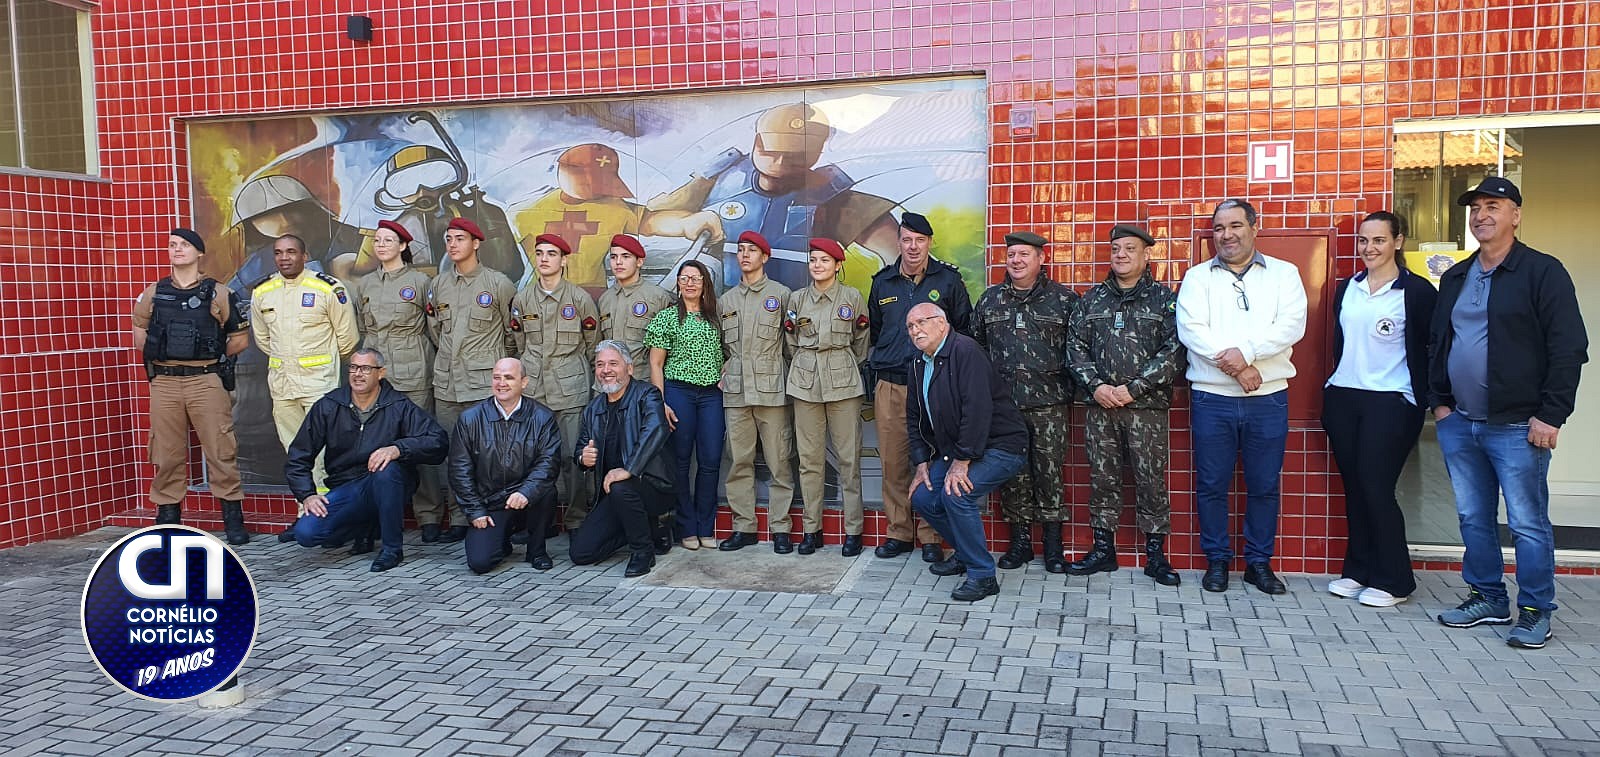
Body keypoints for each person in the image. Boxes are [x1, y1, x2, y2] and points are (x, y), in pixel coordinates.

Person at [1429, 177, 1588, 649]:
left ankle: (1536, 609)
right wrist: (1440, 405)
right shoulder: (1456, 276)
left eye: (1492, 206)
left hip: (1520, 423)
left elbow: (1569, 348)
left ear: (1515, 215)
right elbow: (1439, 343)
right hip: (1460, 421)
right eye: (1475, 208)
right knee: (1473, 516)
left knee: (1525, 522)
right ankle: (1488, 597)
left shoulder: (1542, 272)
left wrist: (1551, 415)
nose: (1481, 215)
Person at [1176, 199, 1307, 595]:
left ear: (1254, 227)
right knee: (1212, 483)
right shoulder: (1198, 278)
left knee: (1264, 484)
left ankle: (1258, 564)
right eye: (1218, 228)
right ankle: (1217, 561)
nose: (1227, 235)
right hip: (1211, 398)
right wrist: (1238, 367)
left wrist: (1247, 353)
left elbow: (1290, 325)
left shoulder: (1285, 274)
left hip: (1267, 399)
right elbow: (1192, 331)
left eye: (1235, 226)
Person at [1320, 212, 1437, 607]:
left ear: (1398, 241)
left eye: (1379, 240)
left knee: (1376, 487)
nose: (1369, 248)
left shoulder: (1416, 292)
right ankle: (1359, 569)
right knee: (1355, 488)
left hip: (1391, 400)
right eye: (1363, 240)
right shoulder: (1346, 289)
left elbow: (1431, 350)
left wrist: (1430, 400)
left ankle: (1395, 579)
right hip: (1345, 397)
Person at [1066, 224, 1185, 587]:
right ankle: (1103, 550)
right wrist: (1097, 386)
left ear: (1146, 254)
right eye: (1116, 248)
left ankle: (1155, 555)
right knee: (1103, 479)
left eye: (1129, 249)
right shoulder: (1091, 300)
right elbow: (1074, 348)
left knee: (1151, 480)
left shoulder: (1164, 300)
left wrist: (1134, 388)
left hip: (1145, 409)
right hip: (1101, 407)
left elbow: (1174, 351)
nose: (1120, 255)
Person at [132, 228, 252, 544]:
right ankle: (168, 518)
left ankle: (233, 520)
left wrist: (209, 354)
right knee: (165, 452)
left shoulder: (219, 293)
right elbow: (140, 333)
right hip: (166, 383)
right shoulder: (153, 293)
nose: (177, 250)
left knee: (220, 449)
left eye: (184, 245)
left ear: (199, 253)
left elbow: (239, 339)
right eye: (172, 245)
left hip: (205, 381)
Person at [867, 211, 973, 562]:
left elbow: (962, 330)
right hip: (893, 384)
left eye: (920, 240)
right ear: (898, 242)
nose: (913, 247)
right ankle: (898, 532)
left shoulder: (948, 280)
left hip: (935, 385)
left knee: (931, 459)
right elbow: (877, 331)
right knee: (894, 462)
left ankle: (931, 534)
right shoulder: (882, 282)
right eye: (907, 239)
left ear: (929, 243)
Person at [905, 303, 1027, 601]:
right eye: (910, 326)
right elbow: (913, 416)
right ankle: (965, 551)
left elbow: (977, 410)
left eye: (922, 322)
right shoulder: (919, 363)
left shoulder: (965, 351)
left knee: (956, 493)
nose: (915, 330)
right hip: (959, 450)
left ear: (942, 324)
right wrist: (922, 462)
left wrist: (962, 461)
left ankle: (983, 575)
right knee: (923, 496)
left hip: (1001, 445)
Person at [972, 230, 1077, 574]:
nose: (1016, 261)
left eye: (1024, 255)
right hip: (1005, 408)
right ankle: (1020, 544)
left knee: (1049, 474)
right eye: (1012, 255)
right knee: (1012, 474)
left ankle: (1052, 544)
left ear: (1041, 259)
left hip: (1050, 404)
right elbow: (976, 349)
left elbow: (1077, 352)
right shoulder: (990, 300)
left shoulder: (1064, 300)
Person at [287, 348, 448, 572]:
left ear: (380, 373)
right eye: (353, 367)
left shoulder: (398, 405)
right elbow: (298, 455)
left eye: (365, 368)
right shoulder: (330, 405)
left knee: (386, 469)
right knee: (306, 533)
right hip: (347, 487)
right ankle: (365, 526)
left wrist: (397, 448)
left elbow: (438, 441)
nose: (357, 374)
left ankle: (392, 549)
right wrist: (307, 495)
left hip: (389, 484)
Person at [251, 233, 360, 542]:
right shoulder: (263, 292)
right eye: (279, 253)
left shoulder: (326, 288)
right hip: (283, 386)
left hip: (318, 385)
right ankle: (305, 513)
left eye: (291, 252)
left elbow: (347, 339)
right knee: (295, 452)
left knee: (324, 453)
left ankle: (331, 517)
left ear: (304, 254)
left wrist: (320, 366)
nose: (285, 257)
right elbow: (263, 339)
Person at [427, 217, 518, 544]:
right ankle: (460, 516)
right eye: (449, 238)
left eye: (460, 238)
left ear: (476, 243)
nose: (452, 244)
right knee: (455, 454)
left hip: (482, 385)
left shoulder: (498, 284)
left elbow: (512, 337)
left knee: (491, 454)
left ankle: (495, 514)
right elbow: (436, 330)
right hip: (448, 384)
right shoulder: (439, 285)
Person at [352, 220, 443, 541]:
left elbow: (434, 328)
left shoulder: (421, 282)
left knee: (420, 442)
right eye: (377, 240)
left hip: (413, 368)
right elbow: (364, 328)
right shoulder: (365, 284)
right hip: (378, 372)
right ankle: (378, 516)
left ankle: (429, 514)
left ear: (403, 246)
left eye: (388, 240)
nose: (381, 245)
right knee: (376, 445)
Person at [785, 238, 871, 556]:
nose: (817, 265)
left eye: (824, 260)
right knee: (809, 461)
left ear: (838, 265)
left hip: (843, 381)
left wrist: (843, 363)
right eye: (813, 260)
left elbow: (861, 339)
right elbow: (791, 340)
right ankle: (812, 529)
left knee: (849, 460)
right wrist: (809, 361)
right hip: (805, 380)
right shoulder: (797, 299)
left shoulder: (851, 297)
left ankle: (853, 531)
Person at [510, 233, 600, 531]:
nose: (544, 259)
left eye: (551, 254)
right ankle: (540, 520)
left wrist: (574, 372)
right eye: (539, 253)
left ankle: (576, 519)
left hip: (569, 389)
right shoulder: (522, 299)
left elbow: (591, 344)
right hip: (535, 389)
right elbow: (519, 342)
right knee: (533, 458)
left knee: (572, 458)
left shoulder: (579, 299)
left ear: (563, 261)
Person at [717, 231, 797, 552]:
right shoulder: (726, 301)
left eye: (753, 250)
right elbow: (723, 348)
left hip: (772, 389)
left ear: (765, 257)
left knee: (779, 462)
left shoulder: (782, 295)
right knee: (739, 462)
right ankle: (744, 527)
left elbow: (791, 344)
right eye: (741, 250)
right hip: (737, 391)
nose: (745, 255)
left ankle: (780, 529)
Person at [448, 358, 564, 574]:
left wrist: (526, 492)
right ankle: (501, 541)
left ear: (524, 382)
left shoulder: (542, 417)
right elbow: (459, 470)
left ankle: (537, 550)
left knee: (546, 490)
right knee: (480, 563)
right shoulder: (470, 419)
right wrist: (475, 511)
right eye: (497, 377)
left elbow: (548, 464)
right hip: (489, 503)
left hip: (526, 499)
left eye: (509, 378)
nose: (501, 383)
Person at [571, 340, 676, 577]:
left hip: (653, 486)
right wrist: (582, 458)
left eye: (613, 363)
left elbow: (656, 429)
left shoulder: (647, 394)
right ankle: (649, 530)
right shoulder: (593, 409)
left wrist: (629, 468)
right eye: (600, 365)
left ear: (629, 368)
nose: (605, 370)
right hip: (615, 494)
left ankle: (642, 551)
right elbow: (580, 448)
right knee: (581, 553)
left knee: (620, 486)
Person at [644, 259, 726, 550]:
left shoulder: (716, 318)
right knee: (679, 462)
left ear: (705, 284)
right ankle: (686, 527)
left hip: (710, 397)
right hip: (678, 392)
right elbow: (655, 363)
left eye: (696, 278)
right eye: (684, 278)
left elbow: (730, 354)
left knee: (711, 460)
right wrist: (660, 402)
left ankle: (706, 526)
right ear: (677, 283)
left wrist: (725, 372)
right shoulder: (667, 318)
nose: (690, 283)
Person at [597, 234, 675, 382]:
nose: (618, 262)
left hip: (642, 382)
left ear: (639, 262)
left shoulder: (658, 297)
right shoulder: (604, 300)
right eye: (613, 257)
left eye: (625, 257)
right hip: (609, 386)